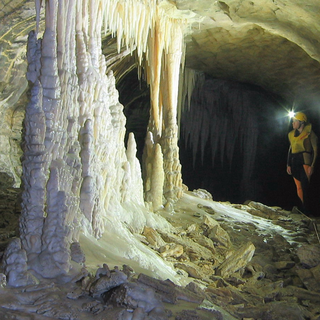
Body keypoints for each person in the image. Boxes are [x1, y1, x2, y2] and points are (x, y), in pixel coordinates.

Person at [287, 112, 318, 214]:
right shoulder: (291, 134)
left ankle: (308, 210)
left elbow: (315, 150)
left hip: (305, 160)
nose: (293, 123)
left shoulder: (310, 134)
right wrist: (288, 164)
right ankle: (302, 209)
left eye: (295, 121)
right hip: (294, 160)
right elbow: (290, 149)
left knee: (305, 187)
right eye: (293, 121)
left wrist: (312, 165)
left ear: (301, 122)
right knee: (298, 187)